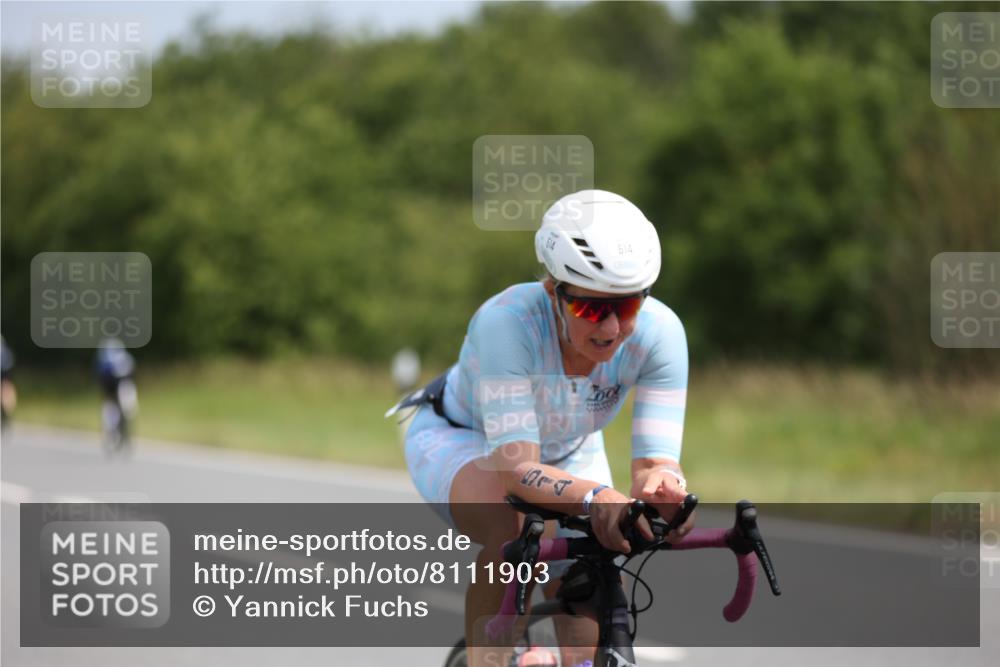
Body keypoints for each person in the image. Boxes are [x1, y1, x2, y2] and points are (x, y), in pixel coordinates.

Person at [394, 190, 694, 667]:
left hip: (568, 448)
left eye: (629, 306)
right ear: (555, 292)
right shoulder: (507, 324)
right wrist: (598, 498)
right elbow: (516, 473)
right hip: (465, 437)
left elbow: (654, 464)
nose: (613, 328)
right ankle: (491, 661)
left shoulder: (662, 335)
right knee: (514, 527)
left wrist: (664, 488)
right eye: (594, 309)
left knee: (589, 563)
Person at [95, 338, 138, 451]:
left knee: (126, 410)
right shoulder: (107, 362)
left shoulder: (120, 360)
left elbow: (130, 379)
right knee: (112, 409)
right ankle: (113, 432)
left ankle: (122, 433)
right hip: (114, 389)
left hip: (123, 387)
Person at [1, 335, 16, 430]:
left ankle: (6, 416)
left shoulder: (4, 351)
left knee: (6, 393)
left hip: (4, 375)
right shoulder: (5, 350)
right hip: (5, 375)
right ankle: (6, 415)